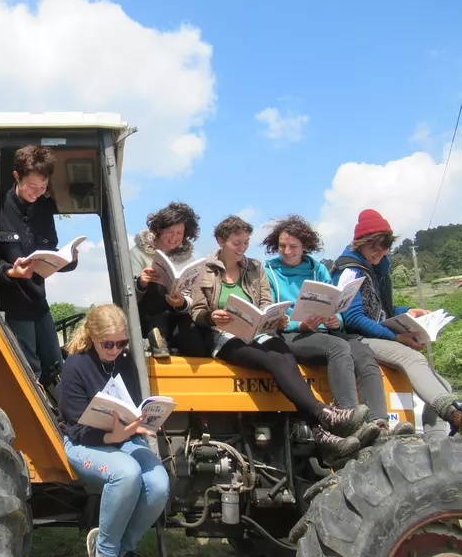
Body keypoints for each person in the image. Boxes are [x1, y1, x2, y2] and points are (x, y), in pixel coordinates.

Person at [190, 215, 369, 462]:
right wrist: (212, 316)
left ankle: (323, 433)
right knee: (274, 359)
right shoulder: (205, 271)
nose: (242, 248)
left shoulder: (255, 268)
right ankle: (324, 418)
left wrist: (269, 316)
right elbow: (197, 312)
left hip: (258, 332)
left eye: (245, 243)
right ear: (221, 241)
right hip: (225, 337)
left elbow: (265, 302)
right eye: (236, 243)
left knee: (283, 353)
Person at [262, 215, 413, 440]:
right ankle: (348, 419)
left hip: (322, 330)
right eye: (282, 246)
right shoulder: (269, 272)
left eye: (293, 246)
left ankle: (379, 423)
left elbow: (336, 306)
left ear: (305, 246)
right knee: (337, 346)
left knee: (364, 353)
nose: (287, 251)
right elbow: (273, 316)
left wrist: (335, 321)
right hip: (291, 334)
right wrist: (299, 324)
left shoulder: (318, 269)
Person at [331, 208, 461, 436]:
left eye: (384, 247)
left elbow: (380, 311)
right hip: (358, 337)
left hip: (375, 333)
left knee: (443, 385)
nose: (379, 252)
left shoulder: (375, 270)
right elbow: (352, 317)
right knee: (413, 357)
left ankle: (440, 442)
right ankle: (454, 415)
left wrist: (408, 312)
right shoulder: (350, 270)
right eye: (373, 247)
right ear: (359, 243)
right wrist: (396, 337)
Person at [57, 304, 169, 557]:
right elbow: (75, 427)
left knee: (159, 483)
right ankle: (105, 551)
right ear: (92, 336)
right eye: (108, 344)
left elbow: (133, 405)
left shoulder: (124, 362)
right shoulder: (75, 365)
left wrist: (145, 421)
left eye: (122, 343)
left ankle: (124, 549)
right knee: (126, 473)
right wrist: (111, 436)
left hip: (125, 440)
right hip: (84, 443)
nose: (115, 350)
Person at [0, 145, 78, 382]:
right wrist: (10, 271)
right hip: (8, 304)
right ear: (16, 176)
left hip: (37, 301)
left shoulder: (44, 210)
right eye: (32, 186)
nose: (37, 192)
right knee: (30, 369)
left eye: (43, 187)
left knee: (55, 365)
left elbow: (50, 254)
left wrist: (68, 259)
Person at [130, 202, 208, 358]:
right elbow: (127, 293)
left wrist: (181, 303)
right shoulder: (137, 252)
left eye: (179, 233)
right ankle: (158, 339)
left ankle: (171, 343)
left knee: (198, 348)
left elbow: (190, 298)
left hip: (176, 314)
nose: (174, 238)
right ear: (159, 230)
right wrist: (141, 283)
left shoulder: (189, 259)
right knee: (156, 286)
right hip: (147, 314)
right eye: (170, 232)